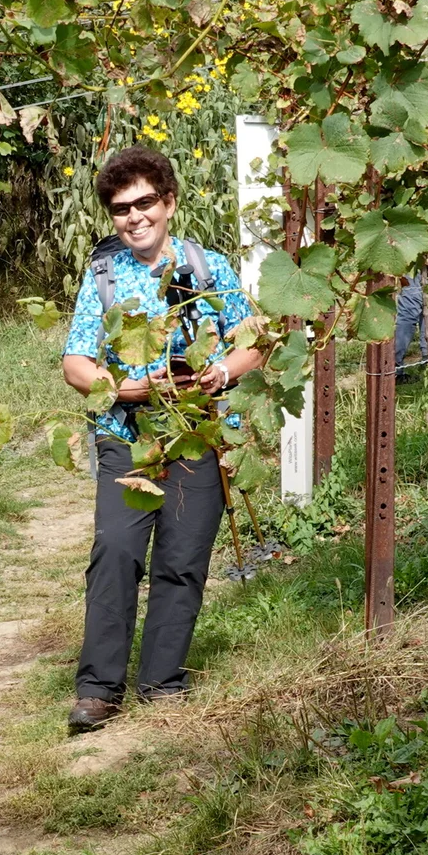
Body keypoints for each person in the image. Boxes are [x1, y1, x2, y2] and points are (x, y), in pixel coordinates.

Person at [59, 147, 262, 735]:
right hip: (127, 434)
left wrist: (221, 373)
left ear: (168, 202)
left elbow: (252, 339)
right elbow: (75, 361)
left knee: (182, 558)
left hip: (199, 432)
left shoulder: (208, 267)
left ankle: (162, 683)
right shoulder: (103, 275)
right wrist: (123, 389)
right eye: (121, 209)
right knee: (117, 553)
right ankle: (98, 689)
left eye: (146, 202)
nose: (134, 217)